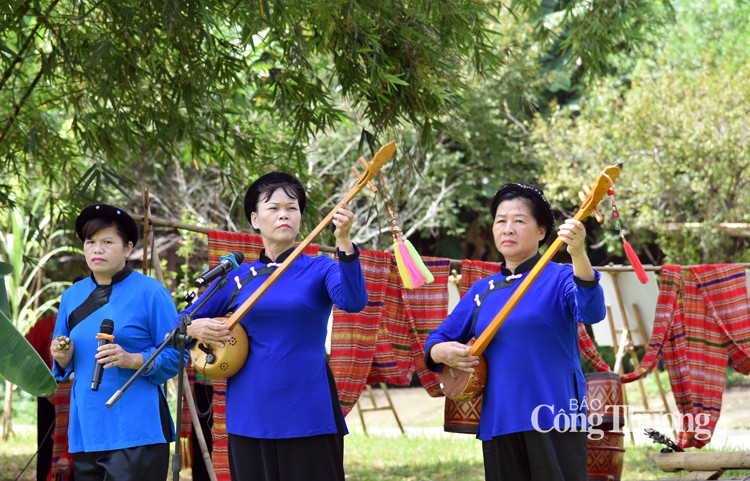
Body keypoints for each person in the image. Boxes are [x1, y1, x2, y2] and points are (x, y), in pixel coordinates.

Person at [180, 172, 368, 481]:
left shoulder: (320, 267)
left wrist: (344, 241)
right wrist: (195, 328)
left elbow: (353, 299)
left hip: (310, 410)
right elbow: (180, 324)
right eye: (273, 207)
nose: (284, 214)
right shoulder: (236, 276)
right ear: (255, 219)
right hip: (250, 414)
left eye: (292, 208)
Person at [425, 182, 606, 481]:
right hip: (499, 421)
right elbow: (436, 340)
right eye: (501, 220)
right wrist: (441, 352)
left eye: (519, 220)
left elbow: (593, 312)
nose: (508, 228)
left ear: (541, 231)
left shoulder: (560, 276)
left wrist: (578, 254)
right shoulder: (482, 291)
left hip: (553, 416)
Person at [50, 203, 185, 481]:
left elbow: (178, 355)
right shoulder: (71, 296)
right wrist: (62, 357)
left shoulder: (151, 293)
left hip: (137, 431)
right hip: (86, 430)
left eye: (107, 241)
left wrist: (133, 359)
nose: (96, 249)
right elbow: (63, 362)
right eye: (90, 242)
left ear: (127, 248)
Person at [25, 311, 57, 481]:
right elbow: (24, 357)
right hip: (49, 397)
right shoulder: (44, 326)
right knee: (47, 446)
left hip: (81, 397)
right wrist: (43, 388)